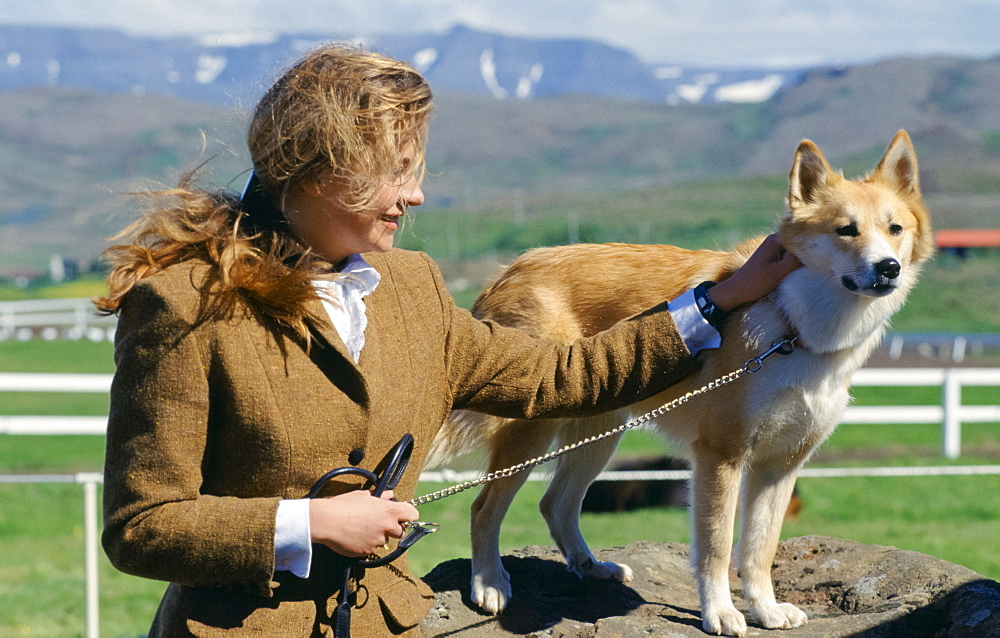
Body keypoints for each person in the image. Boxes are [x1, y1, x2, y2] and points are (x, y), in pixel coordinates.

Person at [97, 43, 800, 638]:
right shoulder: (183, 305)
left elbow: (561, 377)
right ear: (318, 171)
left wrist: (714, 300)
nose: (415, 195)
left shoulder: (413, 287)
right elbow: (142, 524)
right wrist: (308, 524)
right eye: (396, 172)